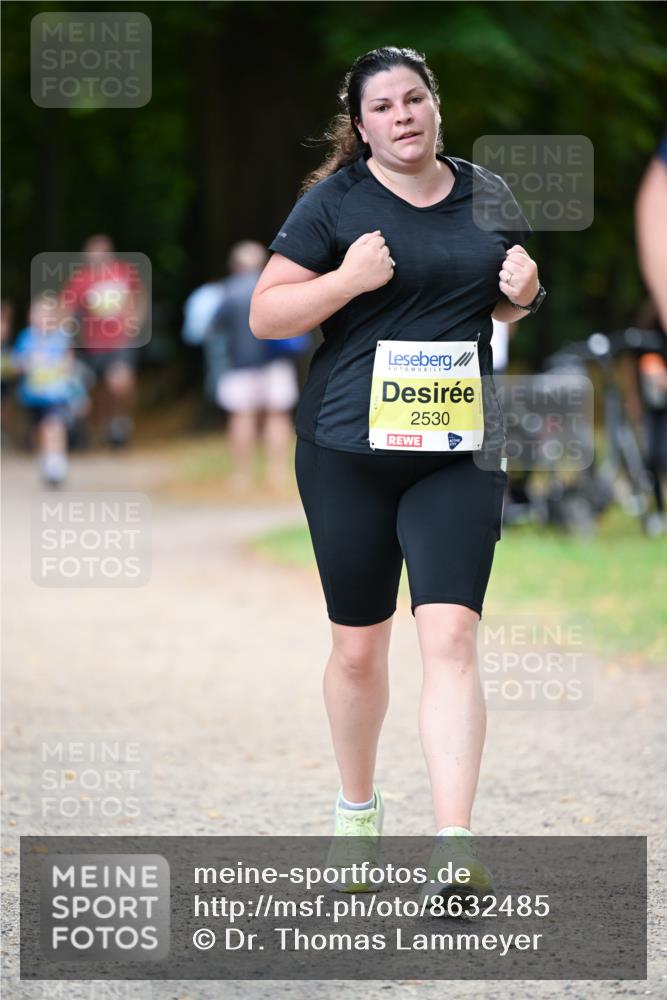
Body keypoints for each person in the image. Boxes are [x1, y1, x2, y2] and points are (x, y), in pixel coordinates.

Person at [250, 47, 545, 898]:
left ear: (435, 105)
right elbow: (267, 314)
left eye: (413, 99)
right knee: (357, 652)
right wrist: (346, 280)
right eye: (382, 107)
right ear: (361, 124)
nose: (402, 116)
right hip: (347, 455)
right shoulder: (334, 204)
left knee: (449, 636)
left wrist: (525, 294)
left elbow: (497, 300)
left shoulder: (487, 194)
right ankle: (356, 812)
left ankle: (453, 844)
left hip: (454, 453)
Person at [209, 240, 305, 494]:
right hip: (277, 363)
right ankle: (278, 471)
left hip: (239, 365)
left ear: (234, 265)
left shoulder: (227, 292)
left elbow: (215, 328)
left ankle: (242, 474)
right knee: (278, 415)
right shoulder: (275, 289)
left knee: (242, 416)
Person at [60, 234, 147, 447]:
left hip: (122, 340)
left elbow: (140, 295)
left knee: (120, 382)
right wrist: (65, 337)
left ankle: (122, 419)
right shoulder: (80, 279)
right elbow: (66, 309)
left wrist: (136, 319)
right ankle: (109, 427)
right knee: (100, 390)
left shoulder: (124, 271)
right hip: (94, 343)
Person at [11, 295, 90, 486]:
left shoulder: (62, 339)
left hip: (56, 396)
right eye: (37, 315)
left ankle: (57, 462)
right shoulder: (25, 338)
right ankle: (46, 458)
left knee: (54, 426)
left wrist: (79, 396)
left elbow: (71, 370)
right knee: (40, 431)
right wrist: (26, 363)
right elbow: (16, 365)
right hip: (32, 397)